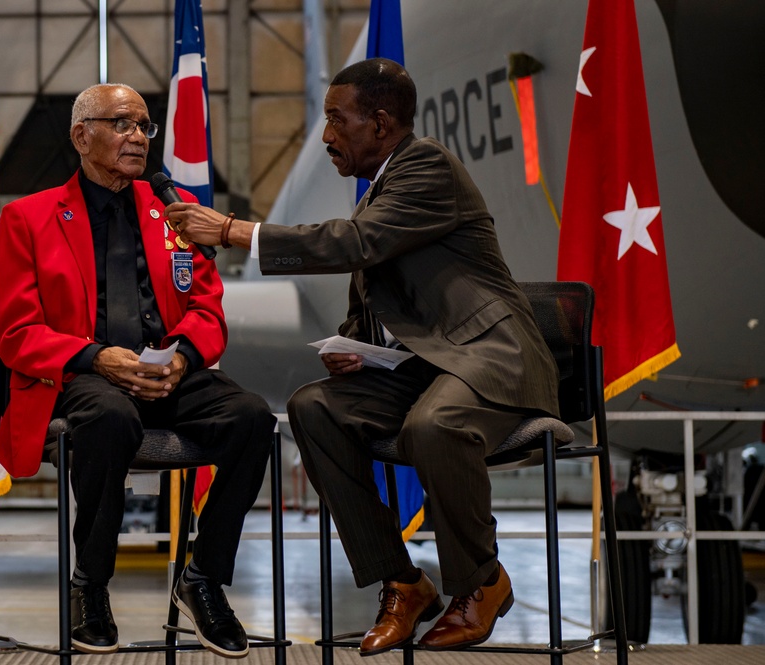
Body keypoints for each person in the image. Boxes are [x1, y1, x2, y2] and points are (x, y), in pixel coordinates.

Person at [166, 58, 559, 654]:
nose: (326, 136)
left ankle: (483, 581)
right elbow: (379, 291)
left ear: (379, 123)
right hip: (426, 366)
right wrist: (358, 347)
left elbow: (354, 245)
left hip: (488, 356)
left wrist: (232, 231)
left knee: (436, 426)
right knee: (315, 409)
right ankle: (402, 581)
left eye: (334, 120)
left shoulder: (427, 167)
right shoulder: (381, 188)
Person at [0, 82, 275, 658]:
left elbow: (208, 310)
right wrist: (97, 357)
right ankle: (90, 586)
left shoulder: (175, 215)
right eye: (122, 124)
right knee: (111, 418)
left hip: (167, 370)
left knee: (251, 417)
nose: (138, 137)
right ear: (81, 136)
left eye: (145, 125)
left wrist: (182, 358)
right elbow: (16, 334)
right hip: (81, 376)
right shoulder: (28, 218)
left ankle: (203, 579)